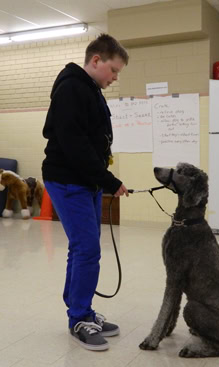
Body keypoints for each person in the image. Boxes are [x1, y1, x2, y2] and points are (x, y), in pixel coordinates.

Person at [42, 34, 129, 351]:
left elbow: (94, 139)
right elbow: (74, 145)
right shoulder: (71, 89)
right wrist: (108, 180)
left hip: (86, 181)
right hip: (68, 181)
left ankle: (83, 311)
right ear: (96, 61)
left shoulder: (90, 89)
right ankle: (79, 318)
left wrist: (102, 179)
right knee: (88, 249)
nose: (115, 78)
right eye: (114, 70)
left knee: (82, 248)